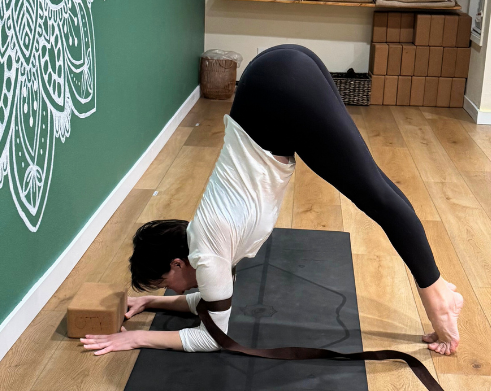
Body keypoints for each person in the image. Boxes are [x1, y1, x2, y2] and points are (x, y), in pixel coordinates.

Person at [83, 43, 463, 357]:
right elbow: (208, 302)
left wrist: (135, 337)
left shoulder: (208, 253)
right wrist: (149, 304)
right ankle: (438, 286)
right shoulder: (207, 241)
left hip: (279, 92)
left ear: (178, 262)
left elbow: (210, 338)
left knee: (378, 198)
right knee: (378, 190)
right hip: (277, 76)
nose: (178, 290)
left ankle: (437, 297)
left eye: (169, 283)